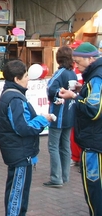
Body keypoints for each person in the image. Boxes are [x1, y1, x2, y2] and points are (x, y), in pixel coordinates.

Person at [0, 60, 53, 216]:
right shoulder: (15, 99)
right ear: (16, 79)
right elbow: (23, 127)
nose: (28, 78)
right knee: (17, 194)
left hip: (18, 151)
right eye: (26, 75)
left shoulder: (13, 95)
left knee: (17, 191)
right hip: (20, 153)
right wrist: (43, 120)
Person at [59, 42, 102, 216]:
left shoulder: (97, 78)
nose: (76, 65)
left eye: (79, 62)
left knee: (94, 188)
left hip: (94, 143)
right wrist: (82, 91)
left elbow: (94, 110)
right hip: (95, 139)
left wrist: (75, 96)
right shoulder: (94, 77)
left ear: (90, 59)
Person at [44, 46, 77, 188]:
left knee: (53, 146)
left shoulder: (60, 73)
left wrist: (57, 94)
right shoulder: (73, 74)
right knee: (65, 146)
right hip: (70, 114)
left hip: (58, 114)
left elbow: (51, 89)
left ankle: (56, 177)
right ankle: (65, 175)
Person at [69, 40, 84, 167]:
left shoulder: (85, 68)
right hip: (74, 100)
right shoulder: (73, 66)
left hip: (82, 101)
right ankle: (75, 157)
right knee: (74, 130)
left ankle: (80, 157)